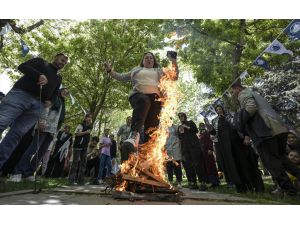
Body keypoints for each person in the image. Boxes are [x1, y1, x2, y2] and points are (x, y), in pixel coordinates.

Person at [104, 51, 179, 160]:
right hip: (138, 96)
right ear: (143, 61)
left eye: (151, 58)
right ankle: (134, 135)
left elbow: (174, 76)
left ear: (154, 61)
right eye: (146, 58)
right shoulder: (136, 70)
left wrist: (173, 61)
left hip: (155, 99)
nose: (149, 59)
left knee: (151, 128)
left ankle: (148, 155)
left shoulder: (159, 71)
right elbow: (121, 77)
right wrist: (109, 70)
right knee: (144, 101)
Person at [0, 53, 68, 171]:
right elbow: (22, 66)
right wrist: (39, 75)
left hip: (38, 106)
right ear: (55, 57)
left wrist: (50, 101)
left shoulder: (58, 78)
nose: (62, 63)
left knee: (16, 135)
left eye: (65, 63)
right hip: (21, 95)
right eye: (62, 60)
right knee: (2, 122)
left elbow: (55, 92)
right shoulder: (41, 62)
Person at [231, 83, 300, 196]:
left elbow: (251, 108)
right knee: (284, 160)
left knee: (272, 163)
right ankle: (289, 187)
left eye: (232, 91)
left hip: (266, 132)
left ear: (237, 88)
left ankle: (290, 191)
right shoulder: (254, 93)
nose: (233, 94)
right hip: (279, 129)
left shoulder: (243, 93)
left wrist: (240, 122)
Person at [8, 88, 70, 182]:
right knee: (33, 149)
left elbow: (59, 120)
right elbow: (46, 108)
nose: (66, 93)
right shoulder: (54, 98)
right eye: (64, 91)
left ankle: (29, 173)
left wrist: (56, 133)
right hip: (44, 126)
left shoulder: (63, 104)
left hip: (53, 131)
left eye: (67, 93)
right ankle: (17, 172)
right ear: (60, 91)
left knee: (42, 152)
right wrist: (41, 121)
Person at [178, 112, 208, 191]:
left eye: (182, 116)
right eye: (180, 117)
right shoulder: (179, 127)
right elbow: (180, 138)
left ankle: (202, 183)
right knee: (189, 166)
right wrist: (180, 131)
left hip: (194, 147)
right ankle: (193, 183)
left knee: (197, 164)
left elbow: (195, 130)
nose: (181, 117)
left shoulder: (190, 122)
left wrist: (187, 127)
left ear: (185, 116)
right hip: (186, 149)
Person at [68, 113, 93, 185]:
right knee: (75, 162)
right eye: (88, 117)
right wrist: (86, 132)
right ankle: (71, 180)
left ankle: (81, 180)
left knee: (84, 163)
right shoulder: (81, 125)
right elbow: (76, 134)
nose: (89, 119)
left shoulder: (89, 127)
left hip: (84, 147)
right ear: (85, 118)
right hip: (78, 146)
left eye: (90, 118)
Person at [197, 122, 220, 188]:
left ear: (204, 126)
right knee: (206, 167)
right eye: (200, 126)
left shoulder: (207, 133)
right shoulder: (199, 134)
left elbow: (210, 141)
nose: (201, 127)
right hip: (202, 153)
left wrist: (210, 149)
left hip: (208, 152)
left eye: (202, 125)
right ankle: (209, 182)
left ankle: (215, 182)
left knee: (211, 166)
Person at [165, 123, 183, 188]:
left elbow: (181, 135)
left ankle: (179, 182)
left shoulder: (176, 127)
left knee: (177, 166)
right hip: (168, 148)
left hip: (176, 148)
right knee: (169, 166)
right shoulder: (164, 128)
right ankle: (170, 182)